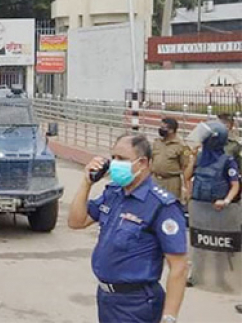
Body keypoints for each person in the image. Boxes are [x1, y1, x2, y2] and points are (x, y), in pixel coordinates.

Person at [68, 133, 187, 323]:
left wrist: (169, 317)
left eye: (122, 159)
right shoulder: (114, 193)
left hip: (136, 303)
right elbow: (76, 221)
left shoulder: (161, 205)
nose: (115, 164)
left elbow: (179, 266)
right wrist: (86, 183)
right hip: (107, 298)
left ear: (143, 163)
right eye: (113, 158)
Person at [187, 120, 240, 209]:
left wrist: (226, 201)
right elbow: (187, 177)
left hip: (217, 209)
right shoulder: (200, 157)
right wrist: (193, 159)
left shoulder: (227, 161)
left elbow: (235, 185)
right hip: (199, 205)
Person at [151, 118, 190, 203]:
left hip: (171, 182)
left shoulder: (182, 146)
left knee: (170, 205)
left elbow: (185, 167)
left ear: (171, 130)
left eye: (163, 128)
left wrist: (186, 188)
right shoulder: (157, 142)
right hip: (155, 179)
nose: (160, 130)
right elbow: (152, 160)